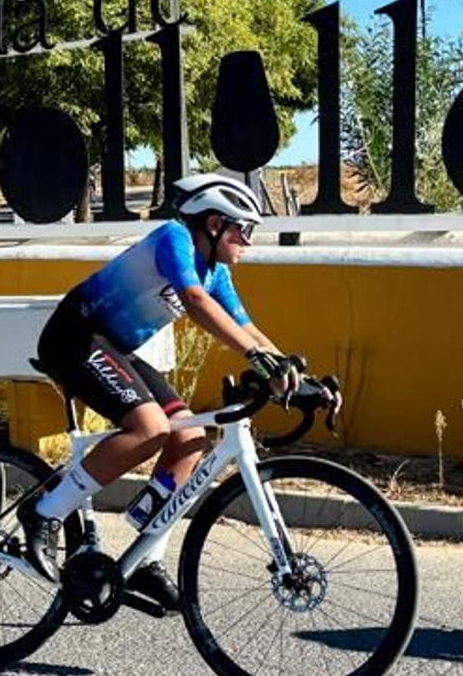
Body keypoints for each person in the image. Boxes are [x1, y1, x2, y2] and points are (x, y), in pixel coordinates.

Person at [23, 173, 332, 610]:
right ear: (213, 224)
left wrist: (298, 377)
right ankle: (44, 512)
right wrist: (257, 360)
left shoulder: (216, 272)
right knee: (150, 427)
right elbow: (193, 301)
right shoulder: (174, 238)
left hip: (114, 347)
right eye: (243, 228)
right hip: (74, 337)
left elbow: (249, 330)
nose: (248, 240)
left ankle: (147, 557)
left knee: (189, 437)